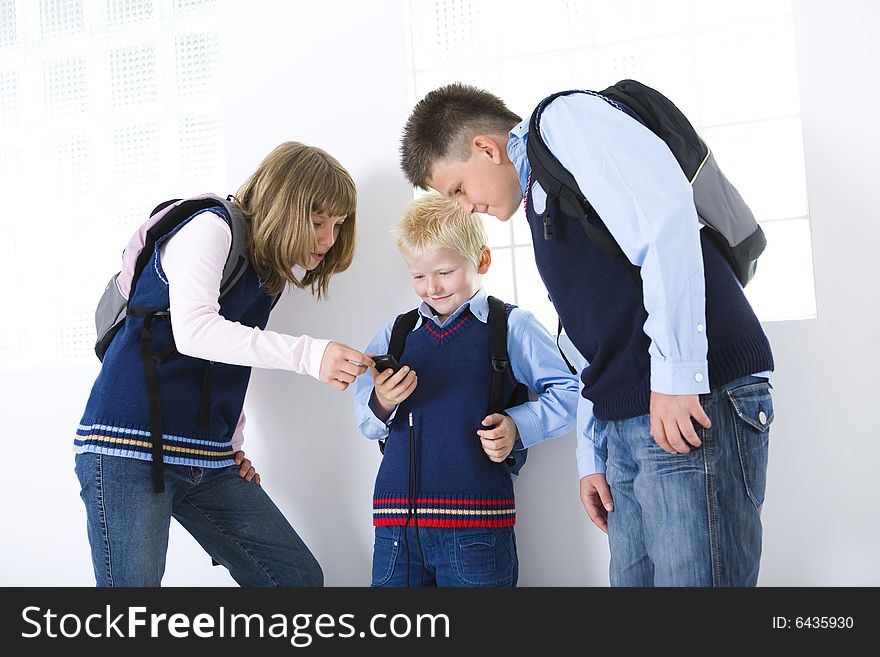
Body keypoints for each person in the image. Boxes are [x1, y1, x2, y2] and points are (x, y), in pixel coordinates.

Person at [399, 83, 775, 587]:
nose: (464, 209)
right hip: (634, 419)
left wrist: (679, 378)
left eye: (458, 190)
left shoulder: (563, 120)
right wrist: (592, 453)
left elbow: (664, 224)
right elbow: (586, 341)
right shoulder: (541, 199)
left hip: (693, 396)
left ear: (486, 149)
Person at [74, 141, 372, 587]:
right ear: (284, 206)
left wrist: (230, 442)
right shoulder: (210, 228)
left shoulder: (269, 271)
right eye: (317, 222)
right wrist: (311, 354)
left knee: (295, 579)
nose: (328, 239)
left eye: (338, 224)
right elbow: (195, 332)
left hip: (209, 456)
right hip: (128, 446)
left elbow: (231, 361)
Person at [353, 193, 578, 587]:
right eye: (418, 276)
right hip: (395, 532)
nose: (431, 288)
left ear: (482, 261)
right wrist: (383, 401)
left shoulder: (510, 326)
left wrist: (516, 426)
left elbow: (572, 392)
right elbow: (368, 424)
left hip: (477, 530)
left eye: (444, 272)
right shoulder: (397, 333)